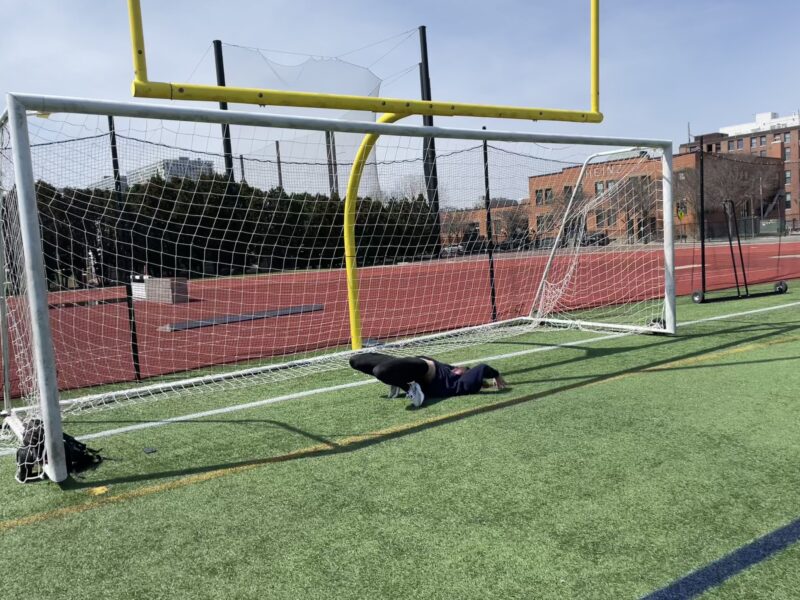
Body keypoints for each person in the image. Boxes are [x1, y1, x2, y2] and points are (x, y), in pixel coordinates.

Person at [349, 352, 507, 408]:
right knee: (355, 361)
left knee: (380, 371)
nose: (460, 367)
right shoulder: (452, 369)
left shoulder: (460, 383)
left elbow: (482, 368)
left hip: (422, 370)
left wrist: (497, 375)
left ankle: (408, 388)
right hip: (408, 364)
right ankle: (396, 379)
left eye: (464, 369)